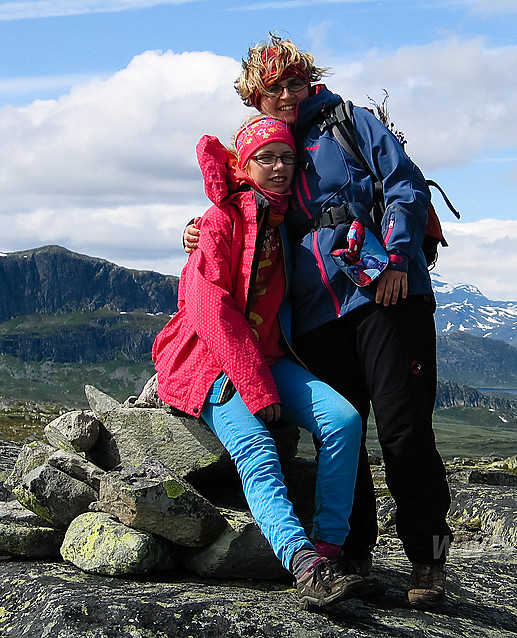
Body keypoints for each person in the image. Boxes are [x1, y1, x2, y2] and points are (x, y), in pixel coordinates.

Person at [185, 35, 453, 609]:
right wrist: (196, 228)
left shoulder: (347, 124)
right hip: (313, 315)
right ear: (255, 96)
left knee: (403, 428)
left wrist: (400, 258)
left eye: (295, 82)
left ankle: (427, 562)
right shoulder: (264, 148)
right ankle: (352, 556)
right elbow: (237, 210)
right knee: (345, 426)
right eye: (274, 87)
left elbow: (403, 183)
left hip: (384, 290)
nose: (287, 94)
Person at [154, 115, 365, 611]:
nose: (278, 168)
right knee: (256, 447)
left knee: (345, 421)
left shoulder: (283, 218)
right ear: (244, 166)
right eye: (265, 158)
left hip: (267, 354)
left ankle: (329, 552)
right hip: (205, 359)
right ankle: (304, 566)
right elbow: (210, 309)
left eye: (287, 157)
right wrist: (257, 388)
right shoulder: (220, 221)